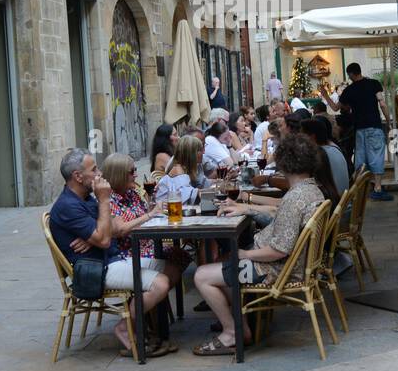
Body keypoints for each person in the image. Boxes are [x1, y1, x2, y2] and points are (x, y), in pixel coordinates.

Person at [192, 135, 327, 355]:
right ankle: (240, 325)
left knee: (201, 275)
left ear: (284, 163)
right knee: (222, 263)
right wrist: (247, 207)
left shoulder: (296, 198)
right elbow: (280, 210)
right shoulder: (310, 190)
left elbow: (279, 250)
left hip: (274, 270)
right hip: (290, 265)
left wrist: (244, 253)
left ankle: (230, 333)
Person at [49, 149, 171, 358]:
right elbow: (106, 239)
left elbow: (113, 228)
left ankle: (150, 328)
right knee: (161, 283)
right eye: (94, 169)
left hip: (111, 258)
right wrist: (104, 204)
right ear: (78, 176)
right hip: (95, 270)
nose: (99, 174)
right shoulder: (68, 206)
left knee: (171, 266)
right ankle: (126, 327)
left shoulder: (86, 197)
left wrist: (95, 237)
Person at [101, 152, 183, 356]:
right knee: (168, 266)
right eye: (132, 171)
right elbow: (119, 229)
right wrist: (150, 213)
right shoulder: (108, 199)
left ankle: (150, 313)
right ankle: (130, 322)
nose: (136, 175)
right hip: (126, 252)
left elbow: (143, 213)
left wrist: (151, 202)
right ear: (119, 174)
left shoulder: (131, 193)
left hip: (144, 246)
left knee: (179, 257)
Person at [338, 63, 393, 200]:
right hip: (374, 126)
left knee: (360, 160)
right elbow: (382, 103)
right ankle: (377, 188)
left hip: (359, 130)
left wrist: (325, 95)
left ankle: (360, 190)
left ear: (350, 74)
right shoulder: (374, 84)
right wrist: (389, 121)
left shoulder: (349, 90)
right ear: (360, 71)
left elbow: (335, 107)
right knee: (376, 156)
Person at [301, 116, 350, 196]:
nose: (300, 139)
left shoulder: (320, 154)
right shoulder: (333, 147)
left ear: (312, 137)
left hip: (334, 203)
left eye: (302, 135)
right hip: (342, 201)